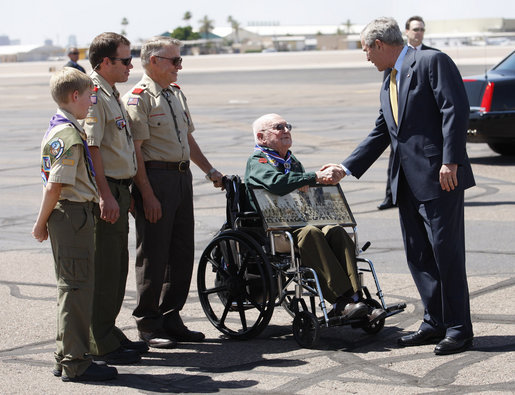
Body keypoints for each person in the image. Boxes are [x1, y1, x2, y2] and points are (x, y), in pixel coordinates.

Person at [326, 17, 475, 355]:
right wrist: (345, 167)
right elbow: (382, 132)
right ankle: (434, 321)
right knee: (419, 256)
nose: (366, 57)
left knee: (446, 256)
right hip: (406, 183)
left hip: (441, 177)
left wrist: (450, 160)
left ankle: (459, 329)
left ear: (379, 44)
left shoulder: (430, 62)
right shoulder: (387, 79)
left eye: (366, 49)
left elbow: (455, 110)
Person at [123, 36, 224, 348]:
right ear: (154, 62)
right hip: (155, 179)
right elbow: (136, 152)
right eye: (174, 60)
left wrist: (208, 170)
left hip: (181, 178)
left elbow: (188, 140)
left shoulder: (176, 94)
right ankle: (148, 323)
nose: (180, 66)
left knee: (180, 252)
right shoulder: (139, 98)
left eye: (180, 60)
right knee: (154, 253)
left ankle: (171, 315)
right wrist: (146, 194)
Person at [245, 113, 386, 323]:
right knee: (310, 233)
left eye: (287, 126)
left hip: (299, 220)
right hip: (275, 228)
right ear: (262, 137)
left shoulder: (291, 161)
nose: (286, 130)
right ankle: (339, 300)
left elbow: (302, 187)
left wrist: (320, 176)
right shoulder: (259, 161)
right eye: (279, 127)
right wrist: (310, 177)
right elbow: (277, 183)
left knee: (334, 230)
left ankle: (356, 297)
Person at [32, 68, 117, 382]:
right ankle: (75, 362)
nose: (92, 102)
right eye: (89, 96)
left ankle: (64, 355)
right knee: (77, 290)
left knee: (72, 288)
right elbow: (55, 185)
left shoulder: (62, 127)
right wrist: (40, 224)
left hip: (71, 214)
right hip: (72, 215)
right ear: (74, 96)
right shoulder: (69, 135)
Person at [81, 32, 146, 364]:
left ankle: (106, 329)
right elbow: (92, 148)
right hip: (107, 193)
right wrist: (107, 195)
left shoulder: (110, 93)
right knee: (106, 268)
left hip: (120, 189)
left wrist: (125, 191)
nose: (130, 65)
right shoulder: (94, 95)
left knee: (116, 266)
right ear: (105, 62)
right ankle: (99, 339)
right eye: (124, 60)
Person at [378, 15, 437, 210]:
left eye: (422, 29)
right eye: (415, 29)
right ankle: (390, 195)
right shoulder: (391, 68)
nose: (418, 33)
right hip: (401, 137)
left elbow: (452, 111)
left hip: (429, 159)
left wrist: (452, 161)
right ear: (407, 32)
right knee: (396, 162)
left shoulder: (434, 57)